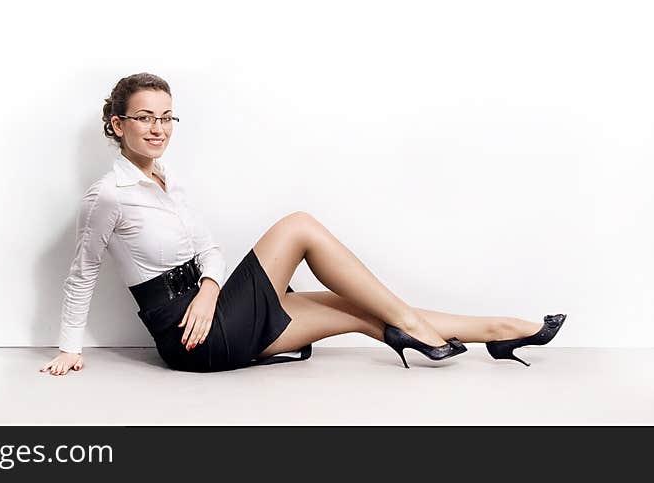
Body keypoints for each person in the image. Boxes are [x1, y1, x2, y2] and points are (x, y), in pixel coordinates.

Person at [40, 72, 566, 375]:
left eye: (166, 117)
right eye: (145, 117)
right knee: (299, 225)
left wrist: (206, 289)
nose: (158, 128)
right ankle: (421, 331)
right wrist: (69, 348)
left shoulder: (168, 182)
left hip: (213, 310)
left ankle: (500, 331)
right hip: (192, 339)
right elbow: (81, 273)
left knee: (361, 311)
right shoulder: (108, 194)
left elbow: (212, 250)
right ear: (118, 124)